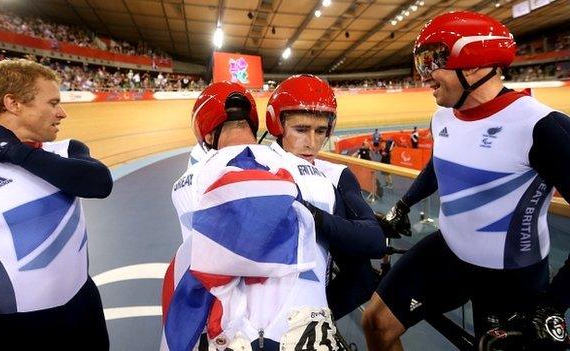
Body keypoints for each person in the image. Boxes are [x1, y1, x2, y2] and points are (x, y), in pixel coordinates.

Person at [362, 11, 570, 351]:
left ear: (473, 64)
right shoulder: (442, 116)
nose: (423, 74)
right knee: (375, 323)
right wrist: (404, 204)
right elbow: (438, 166)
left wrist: (555, 303)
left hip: (513, 278)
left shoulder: (540, 126)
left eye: (431, 60)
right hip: (450, 250)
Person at [163, 81, 349, 350]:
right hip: (308, 322)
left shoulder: (185, 184)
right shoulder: (312, 173)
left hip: (234, 332)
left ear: (205, 134)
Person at [0, 59, 113, 351]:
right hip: (14, 333)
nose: (62, 113)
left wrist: (12, 151)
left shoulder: (65, 150)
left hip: (84, 311)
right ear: (13, 103)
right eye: (53, 103)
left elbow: (99, 183)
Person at [265, 74, 387, 319]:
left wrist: (309, 215)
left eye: (321, 131)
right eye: (301, 129)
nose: (312, 142)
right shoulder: (255, 164)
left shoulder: (336, 174)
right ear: (276, 125)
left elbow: (374, 240)